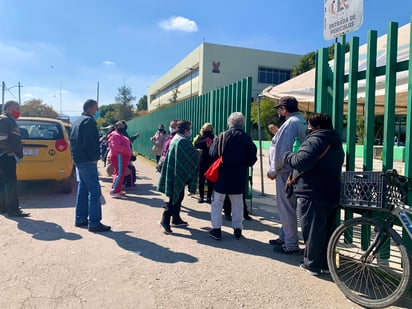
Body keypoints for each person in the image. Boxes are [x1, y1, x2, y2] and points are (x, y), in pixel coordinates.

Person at [283, 113, 344, 275]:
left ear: (315, 126)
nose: (307, 129)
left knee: (312, 230)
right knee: (326, 231)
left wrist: (289, 156)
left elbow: (302, 161)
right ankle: (324, 264)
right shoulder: (336, 142)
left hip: (312, 192)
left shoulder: (315, 140)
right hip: (332, 192)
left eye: (309, 125)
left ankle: (311, 264)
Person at [267, 96, 306, 254]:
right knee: (289, 207)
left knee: (286, 208)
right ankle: (284, 236)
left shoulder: (290, 123)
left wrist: (273, 170)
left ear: (284, 109)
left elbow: (282, 150)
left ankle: (290, 243)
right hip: (296, 170)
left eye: (280, 109)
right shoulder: (301, 121)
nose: (279, 112)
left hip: (286, 171)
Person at [209, 112, 257, 240]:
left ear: (229, 123)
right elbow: (252, 159)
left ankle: (216, 229)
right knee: (237, 203)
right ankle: (237, 229)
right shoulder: (247, 138)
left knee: (217, 203)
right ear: (242, 123)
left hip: (222, 175)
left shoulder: (222, 136)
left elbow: (213, 154)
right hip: (239, 175)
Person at [70, 99, 111, 232]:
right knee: (94, 190)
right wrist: (95, 158)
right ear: (90, 108)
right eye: (96, 108)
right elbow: (90, 142)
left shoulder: (77, 121)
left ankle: (80, 218)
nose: (97, 111)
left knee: (83, 188)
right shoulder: (88, 121)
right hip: (87, 160)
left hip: (79, 160)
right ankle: (94, 222)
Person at [157, 120, 199, 234]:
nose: (190, 131)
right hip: (177, 173)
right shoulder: (183, 140)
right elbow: (193, 155)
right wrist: (199, 152)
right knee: (175, 197)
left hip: (175, 171)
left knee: (179, 195)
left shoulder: (176, 138)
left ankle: (176, 219)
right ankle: (165, 220)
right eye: (189, 129)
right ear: (186, 130)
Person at [0, 100, 29, 217]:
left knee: (4, 183)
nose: (18, 111)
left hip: (5, 156)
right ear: (7, 109)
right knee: (10, 183)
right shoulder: (5, 119)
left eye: (19, 108)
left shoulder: (9, 120)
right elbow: (1, 138)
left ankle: (4, 207)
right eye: (15, 108)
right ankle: (13, 210)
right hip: (6, 156)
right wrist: (10, 151)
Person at [107, 121, 132, 198]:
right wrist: (127, 150)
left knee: (119, 173)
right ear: (116, 127)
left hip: (121, 156)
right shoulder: (115, 135)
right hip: (119, 156)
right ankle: (114, 191)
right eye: (120, 126)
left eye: (123, 126)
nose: (122, 127)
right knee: (119, 173)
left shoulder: (120, 134)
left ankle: (117, 189)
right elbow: (116, 146)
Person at [194, 123, 215, 203]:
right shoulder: (213, 138)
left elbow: (196, 145)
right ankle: (208, 197)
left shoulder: (200, 138)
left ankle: (202, 197)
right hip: (210, 161)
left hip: (203, 161)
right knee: (210, 180)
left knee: (202, 180)